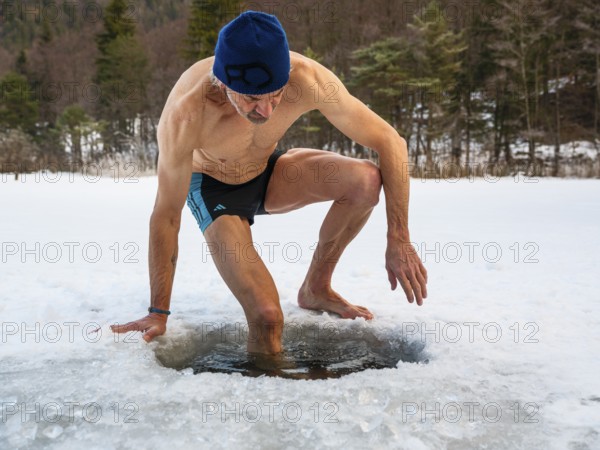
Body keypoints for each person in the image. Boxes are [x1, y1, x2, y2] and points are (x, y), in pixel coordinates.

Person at [111, 10, 428, 355]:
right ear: (223, 82)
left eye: (275, 95)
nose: (266, 112)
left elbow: (391, 141)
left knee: (365, 180)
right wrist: (158, 312)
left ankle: (316, 288)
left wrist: (399, 237)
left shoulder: (306, 78)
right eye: (251, 99)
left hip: (270, 172)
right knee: (267, 317)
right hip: (215, 190)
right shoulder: (187, 113)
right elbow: (166, 214)